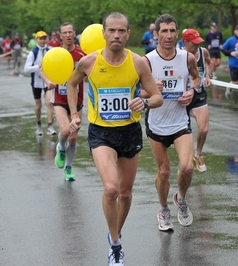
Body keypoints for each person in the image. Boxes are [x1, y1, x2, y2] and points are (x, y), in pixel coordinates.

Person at [67, 12, 163, 265]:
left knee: (125, 193)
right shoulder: (88, 62)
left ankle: (114, 234)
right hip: (101, 133)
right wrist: (75, 113)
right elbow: (70, 84)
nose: (116, 35)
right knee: (110, 189)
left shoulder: (138, 62)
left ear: (128, 34)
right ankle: (116, 244)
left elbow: (157, 97)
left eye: (121, 31)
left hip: (129, 132)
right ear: (104, 34)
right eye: (112, 31)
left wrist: (143, 101)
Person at [143, 14, 201, 232]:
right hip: (156, 124)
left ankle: (181, 199)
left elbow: (196, 78)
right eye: (164, 31)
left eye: (172, 31)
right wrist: (150, 88)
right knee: (164, 172)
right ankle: (164, 209)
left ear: (177, 33)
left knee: (186, 167)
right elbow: (135, 90)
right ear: (156, 34)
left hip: (179, 122)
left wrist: (192, 91)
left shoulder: (187, 58)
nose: (168, 35)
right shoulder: (147, 61)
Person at [40, 22, 85, 181]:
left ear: (74, 34)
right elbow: (42, 68)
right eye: (64, 33)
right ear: (60, 35)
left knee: (73, 137)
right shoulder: (55, 53)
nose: (67, 35)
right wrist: (47, 81)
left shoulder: (81, 55)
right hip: (59, 98)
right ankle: (60, 148)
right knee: (66, 130)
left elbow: (91, 71)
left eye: (70, 32)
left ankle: (68, 167)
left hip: (77, 100)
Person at [181, 28, 212, 172]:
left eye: (198, 42)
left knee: (204, 129)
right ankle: (185, 161)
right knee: (184, 132)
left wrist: (208, 76)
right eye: (194, 43)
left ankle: (198, 154)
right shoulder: (179, 55)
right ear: (185, 42)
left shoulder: (202, 52)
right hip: (184, 97)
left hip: (199, 94)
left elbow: (209, 62)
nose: (197, 45)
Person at [24, 31, 57, 136]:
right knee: (38, 105)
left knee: (49, 102)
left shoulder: (51, 50)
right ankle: (38, 124)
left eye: (44, 38)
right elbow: (26, 69)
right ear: (36, 40)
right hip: (36, 83)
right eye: (40, 38)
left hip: (48, 81)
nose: (42, 40)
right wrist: (37, 66)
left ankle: (50, 126)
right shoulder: (33, 52)